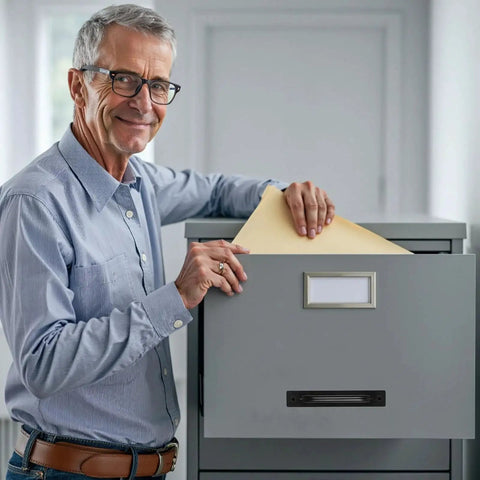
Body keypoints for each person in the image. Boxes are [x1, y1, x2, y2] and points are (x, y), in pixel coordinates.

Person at [0, 4, 335, 480]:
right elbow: (43, 362)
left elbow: (217, 189)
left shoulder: (143, 184)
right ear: (77, 85)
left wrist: (283, 193)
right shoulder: (34, 201)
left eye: (158, 85)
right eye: (123, 79)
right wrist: (175, 297)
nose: (144, 103)